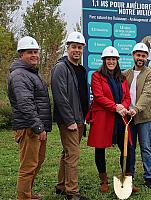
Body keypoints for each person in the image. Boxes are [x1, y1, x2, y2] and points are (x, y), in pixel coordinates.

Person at [8, 36, 52, 200]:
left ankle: (27, 193)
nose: (34, 55)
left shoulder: (30, 73)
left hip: (35, 126)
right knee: (28, 167)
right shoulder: (20, 75)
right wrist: (38, 127)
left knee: (36, 163)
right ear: (21, 55)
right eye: (29, 52)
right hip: (29, 128)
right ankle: (23, 197)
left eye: (36, 52)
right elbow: (25, 103)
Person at [85, 46, 133, 192]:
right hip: (103, 117)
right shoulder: (96, 76)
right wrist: (115, 107)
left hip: (120, 116)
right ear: (104, 60)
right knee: (100, 149)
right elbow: (98, 97)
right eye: (108, 59)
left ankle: (127, 179)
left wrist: (123, 107)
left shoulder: (122, 78)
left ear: (117, 61)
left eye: (113, 59)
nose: (111, 61)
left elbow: (127, 97)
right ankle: (103, 181)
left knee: (127, 148)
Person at [51, 32, 89, 200]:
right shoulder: (61, 67)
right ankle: (72, 193)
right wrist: (69, 120)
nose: (77, 50)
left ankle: (61, 186)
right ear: (67, 48)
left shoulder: (81, 69)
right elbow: (60, 96)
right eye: (73, 47)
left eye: (79, 47)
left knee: (67, 153)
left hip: (79, 119)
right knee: (73, 155)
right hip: (69, 120)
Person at [123, 42, 151, 189]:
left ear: (147, 57)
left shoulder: (150, 74)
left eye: (143, 55)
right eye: (138, 55)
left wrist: (136, 108)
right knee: (130, 147)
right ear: (133, 56)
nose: (140, 58)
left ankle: (148, 176)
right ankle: (130, 174)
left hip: (143, 117)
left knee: (146, 148)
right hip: (128, 118)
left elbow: (148, 94)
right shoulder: (125, 74)